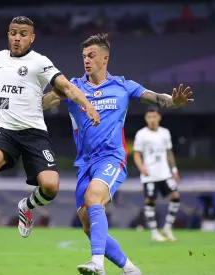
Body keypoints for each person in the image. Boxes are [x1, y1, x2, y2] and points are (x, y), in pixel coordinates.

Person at [42, 33, 193, 275]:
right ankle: (131, 270)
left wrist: (174, 102)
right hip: (84, 163)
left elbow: (157, 98)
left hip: (113, 158)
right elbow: (45, 102)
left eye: (92, 56)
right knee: (89, 226)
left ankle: (97, 264)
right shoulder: (73, 87)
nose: (87, 61)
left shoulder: (123, 86)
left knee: (94, 197)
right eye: (84, 57)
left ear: (105, 58)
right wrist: (37, 101)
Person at [0, 16, 100, 245]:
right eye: (13, 32)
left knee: (50, 186)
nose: (17, 38)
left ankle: (25, 206)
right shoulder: (0, 58)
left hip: (34, 133)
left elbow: (66, 86)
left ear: (32, 38)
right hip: (5, 130)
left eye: (23, 34)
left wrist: (88, 106)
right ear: (8, 34)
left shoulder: (40, 62)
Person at [133, 107, 181, 242]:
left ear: (159, 117)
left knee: (176, 196)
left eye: (154, 116)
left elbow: (169, 152)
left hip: (165, 173)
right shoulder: (141, 134)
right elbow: (137, 153)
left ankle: (167, 228)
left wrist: (174, 170)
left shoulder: (165, 133)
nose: (152, 120)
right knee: (150, 201)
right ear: (146, 118)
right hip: (150, 175)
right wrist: (141, 167)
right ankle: (154, 232)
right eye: (149, 117)